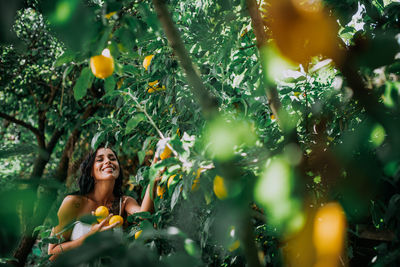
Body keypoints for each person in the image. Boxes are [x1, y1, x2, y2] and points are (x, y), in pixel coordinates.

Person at [48, 145, 159, 261]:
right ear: (91, 171)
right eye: (100, 159)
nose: (108, 161)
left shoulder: (125, 202)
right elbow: (51, 254)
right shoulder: (74, 202)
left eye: (112, 158)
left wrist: (152, 181)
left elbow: (145, 217)